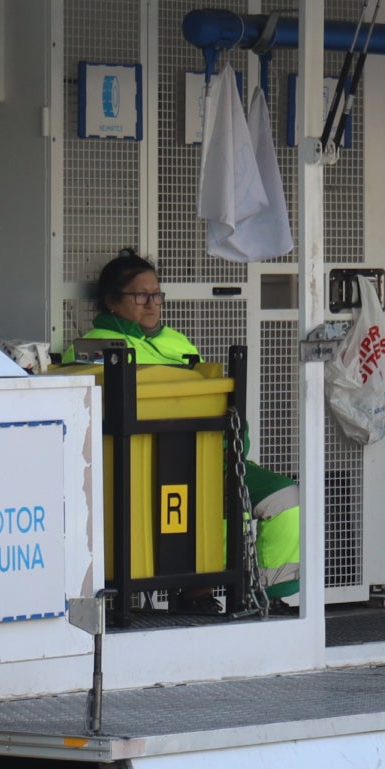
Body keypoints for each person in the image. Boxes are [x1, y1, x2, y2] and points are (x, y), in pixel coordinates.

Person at [67, 252, 301, 605]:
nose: (152, 303)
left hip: (210, 455)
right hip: (143, 467)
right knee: (197, 504)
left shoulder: (178, 342)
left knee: (287, 499)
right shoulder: (90, 348)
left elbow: (215, 397)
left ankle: (267, 595)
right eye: (140, 296)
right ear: (113, 301)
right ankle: (197, 591)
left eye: (156, 294)